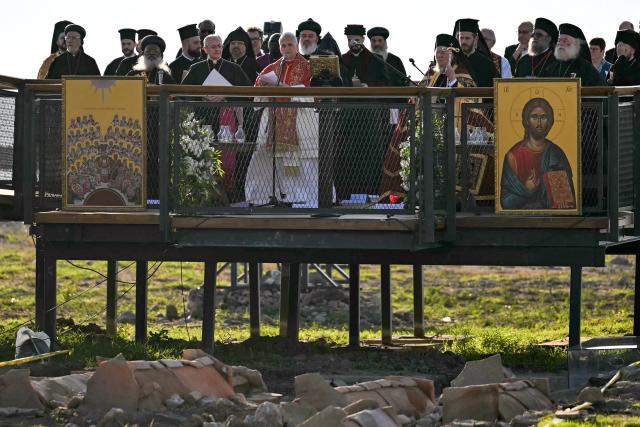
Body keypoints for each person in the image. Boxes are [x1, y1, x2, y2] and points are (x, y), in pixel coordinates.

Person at [244, 32, 323, 206]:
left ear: (296, 46)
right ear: (279, 48)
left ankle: (308, 198)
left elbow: (314, 94)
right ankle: (264, 197)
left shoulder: (309, 66)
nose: (286, 48)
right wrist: (263, 86)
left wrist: (285, 88)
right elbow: (256, 97)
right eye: (283, 45)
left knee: (306, 160)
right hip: (273, 120)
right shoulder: (272, 68)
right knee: (265, 158)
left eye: (290, 45)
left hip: (301, 122)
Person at [182, 34, 252, 199]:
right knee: (202, 156)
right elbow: (183, 93)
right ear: (205, 49)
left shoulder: (233, 68)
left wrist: (225, 97)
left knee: (226, 159)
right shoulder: (196, 68)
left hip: (226, 119)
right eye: (213, 46)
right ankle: (203, 194)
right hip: (203, 118)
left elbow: (248, 92)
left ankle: (227, 194)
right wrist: (201, 96)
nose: (217, 49)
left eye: (219, 46)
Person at [500, 97, 575, 210]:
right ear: (526, 120)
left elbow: (566, 200)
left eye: (543, 117)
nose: (539, 123)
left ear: (549, 121)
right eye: (534, 117)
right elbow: (506, 202)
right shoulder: (513, 156)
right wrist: (528, 190)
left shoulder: (556, 153)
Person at [453, 19, 498, 87]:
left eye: (467, 38)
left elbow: (496, 89)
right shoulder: (452, 61)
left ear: (476, 38)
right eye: (461, 38)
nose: (464, 42)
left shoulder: (487, 63)